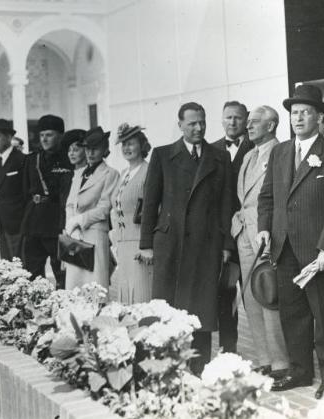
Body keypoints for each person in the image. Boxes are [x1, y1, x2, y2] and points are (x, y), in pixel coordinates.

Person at [257, 84, 324, 399]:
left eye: (305, 112)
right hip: (284, 249)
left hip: (317, 252)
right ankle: (300, 372)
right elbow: (267, 196)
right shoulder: (280, 151)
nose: (298, 118)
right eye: (294, 112)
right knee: (293, 316)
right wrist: (264, 228)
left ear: (320, 117)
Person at [138, 102, 233, 375]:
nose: (199, 128)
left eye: (202, 122)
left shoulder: (219, 157)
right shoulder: (163, 155)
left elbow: (226, 204)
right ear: (180, 124)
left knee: (202, 310)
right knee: (168, 308)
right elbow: (150, 202)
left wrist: (226, 245)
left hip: (206, 245)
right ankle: (169, 366)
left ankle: (198, 367)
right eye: (192, 123)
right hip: (172, 245)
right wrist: (146, 244)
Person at [231, 105, 289, 377]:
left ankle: (280, 361)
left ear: (271, 125)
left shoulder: (281, 152)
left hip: (266, 234)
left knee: (268, 295)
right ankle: (263, 358)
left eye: (255, 122)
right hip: (244, 233)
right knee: (251, 298)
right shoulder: (248, 156)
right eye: (249, 122)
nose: (248, 126)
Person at [211, 101, 254, 353]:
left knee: (255, 295)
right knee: (226, 296)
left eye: (238, 118)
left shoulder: (256, 147)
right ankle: (229, 351)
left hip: (249, 232)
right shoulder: (212, 150)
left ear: (246, 120)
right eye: (228, 117)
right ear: (222, 119)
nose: (233, 122)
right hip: (224, 237)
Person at [64, 126, 119, 290]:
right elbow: (70, 203)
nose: (90, 153)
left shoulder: (110, 173)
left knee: (95, 286)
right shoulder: (80, 174)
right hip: (75, 236)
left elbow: (104, 208)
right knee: (75, 287)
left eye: (95, 148)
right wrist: (71, 226)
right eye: (87, 148)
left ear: (105, 149)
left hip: (94, 233)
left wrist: (81, 220)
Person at [21, 115, 73, 288]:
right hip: (34, 221)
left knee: (61, 270)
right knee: (33, 271)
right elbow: (25, 192)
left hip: (56, 221)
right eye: (42, 134)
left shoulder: (68, 160)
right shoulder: (31, 159)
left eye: (49, 134)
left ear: (60, 135)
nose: (43, 139)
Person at [110, 123, 152, 304]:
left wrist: (149, 247)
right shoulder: (124, 173)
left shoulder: (148, 171)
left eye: (131, 143)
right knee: (126, 295)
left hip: (140, 244)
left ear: (141, 145)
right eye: (123, 144)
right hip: (123, 244)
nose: (126, 148)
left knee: (141, 294)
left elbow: (152, 212)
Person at [0, 119, 26, 260]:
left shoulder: (21, 160)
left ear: (9, 137)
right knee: (7, 265)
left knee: (20, 264)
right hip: (3, 222)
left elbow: (27, 193)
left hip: (18, 224)